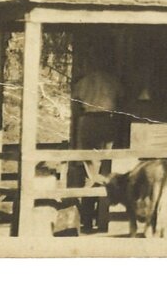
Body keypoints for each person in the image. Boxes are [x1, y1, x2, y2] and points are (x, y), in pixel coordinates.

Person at [70, 65, 125, 231]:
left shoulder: (84, 82)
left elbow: (75, 105)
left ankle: (87, 221)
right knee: (105, 169)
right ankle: (103, 220)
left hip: (88, 122)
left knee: (90, 170)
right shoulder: (113, 81)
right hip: (107, 121)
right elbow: (122, 100)